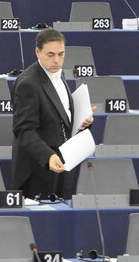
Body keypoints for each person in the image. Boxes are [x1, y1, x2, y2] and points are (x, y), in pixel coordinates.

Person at [11, 28, 94, 199]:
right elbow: (24, 130)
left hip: (61, 162)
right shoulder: (28, 84)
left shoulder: (58, 74)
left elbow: (58, 115)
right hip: (37, 170)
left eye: (61, 54)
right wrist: (48, 155)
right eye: (50, 54)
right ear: (37, 52)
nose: (57, 60)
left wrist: (81, 121)